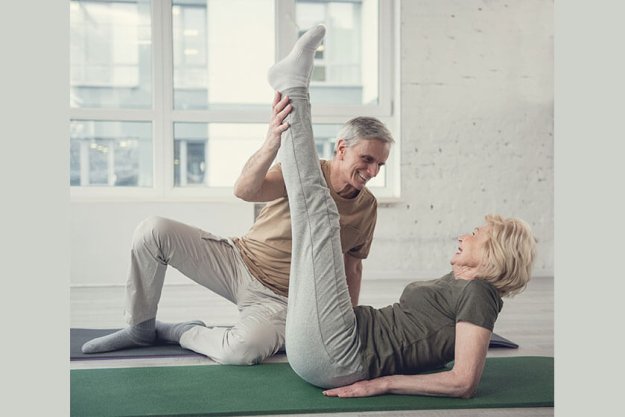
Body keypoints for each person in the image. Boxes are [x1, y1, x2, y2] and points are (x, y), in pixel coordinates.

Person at [80, 24, 394, 366]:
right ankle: (139, 327)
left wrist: (343, 325)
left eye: (380, 164)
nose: (373, 172)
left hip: (282, 300)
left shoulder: (367, 207)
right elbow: (245, 190)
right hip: (238, 262)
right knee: (152, 231)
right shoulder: (304, 172)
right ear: (342, 148)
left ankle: (179, 331)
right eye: (367, 159)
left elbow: (353, 267)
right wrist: (272, 141)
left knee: (240, 351)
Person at [271, 27, 537, 397]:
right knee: (308, 227)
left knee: (321, 217)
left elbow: (463, 382)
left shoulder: (480, 293)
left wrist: (383, 383)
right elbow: (442, 335)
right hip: (334, 341)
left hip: (340, 356)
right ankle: (289, 93)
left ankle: (293, 87)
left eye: (477, 235)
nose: (464, 235)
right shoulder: (463, 284)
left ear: (494, 253)